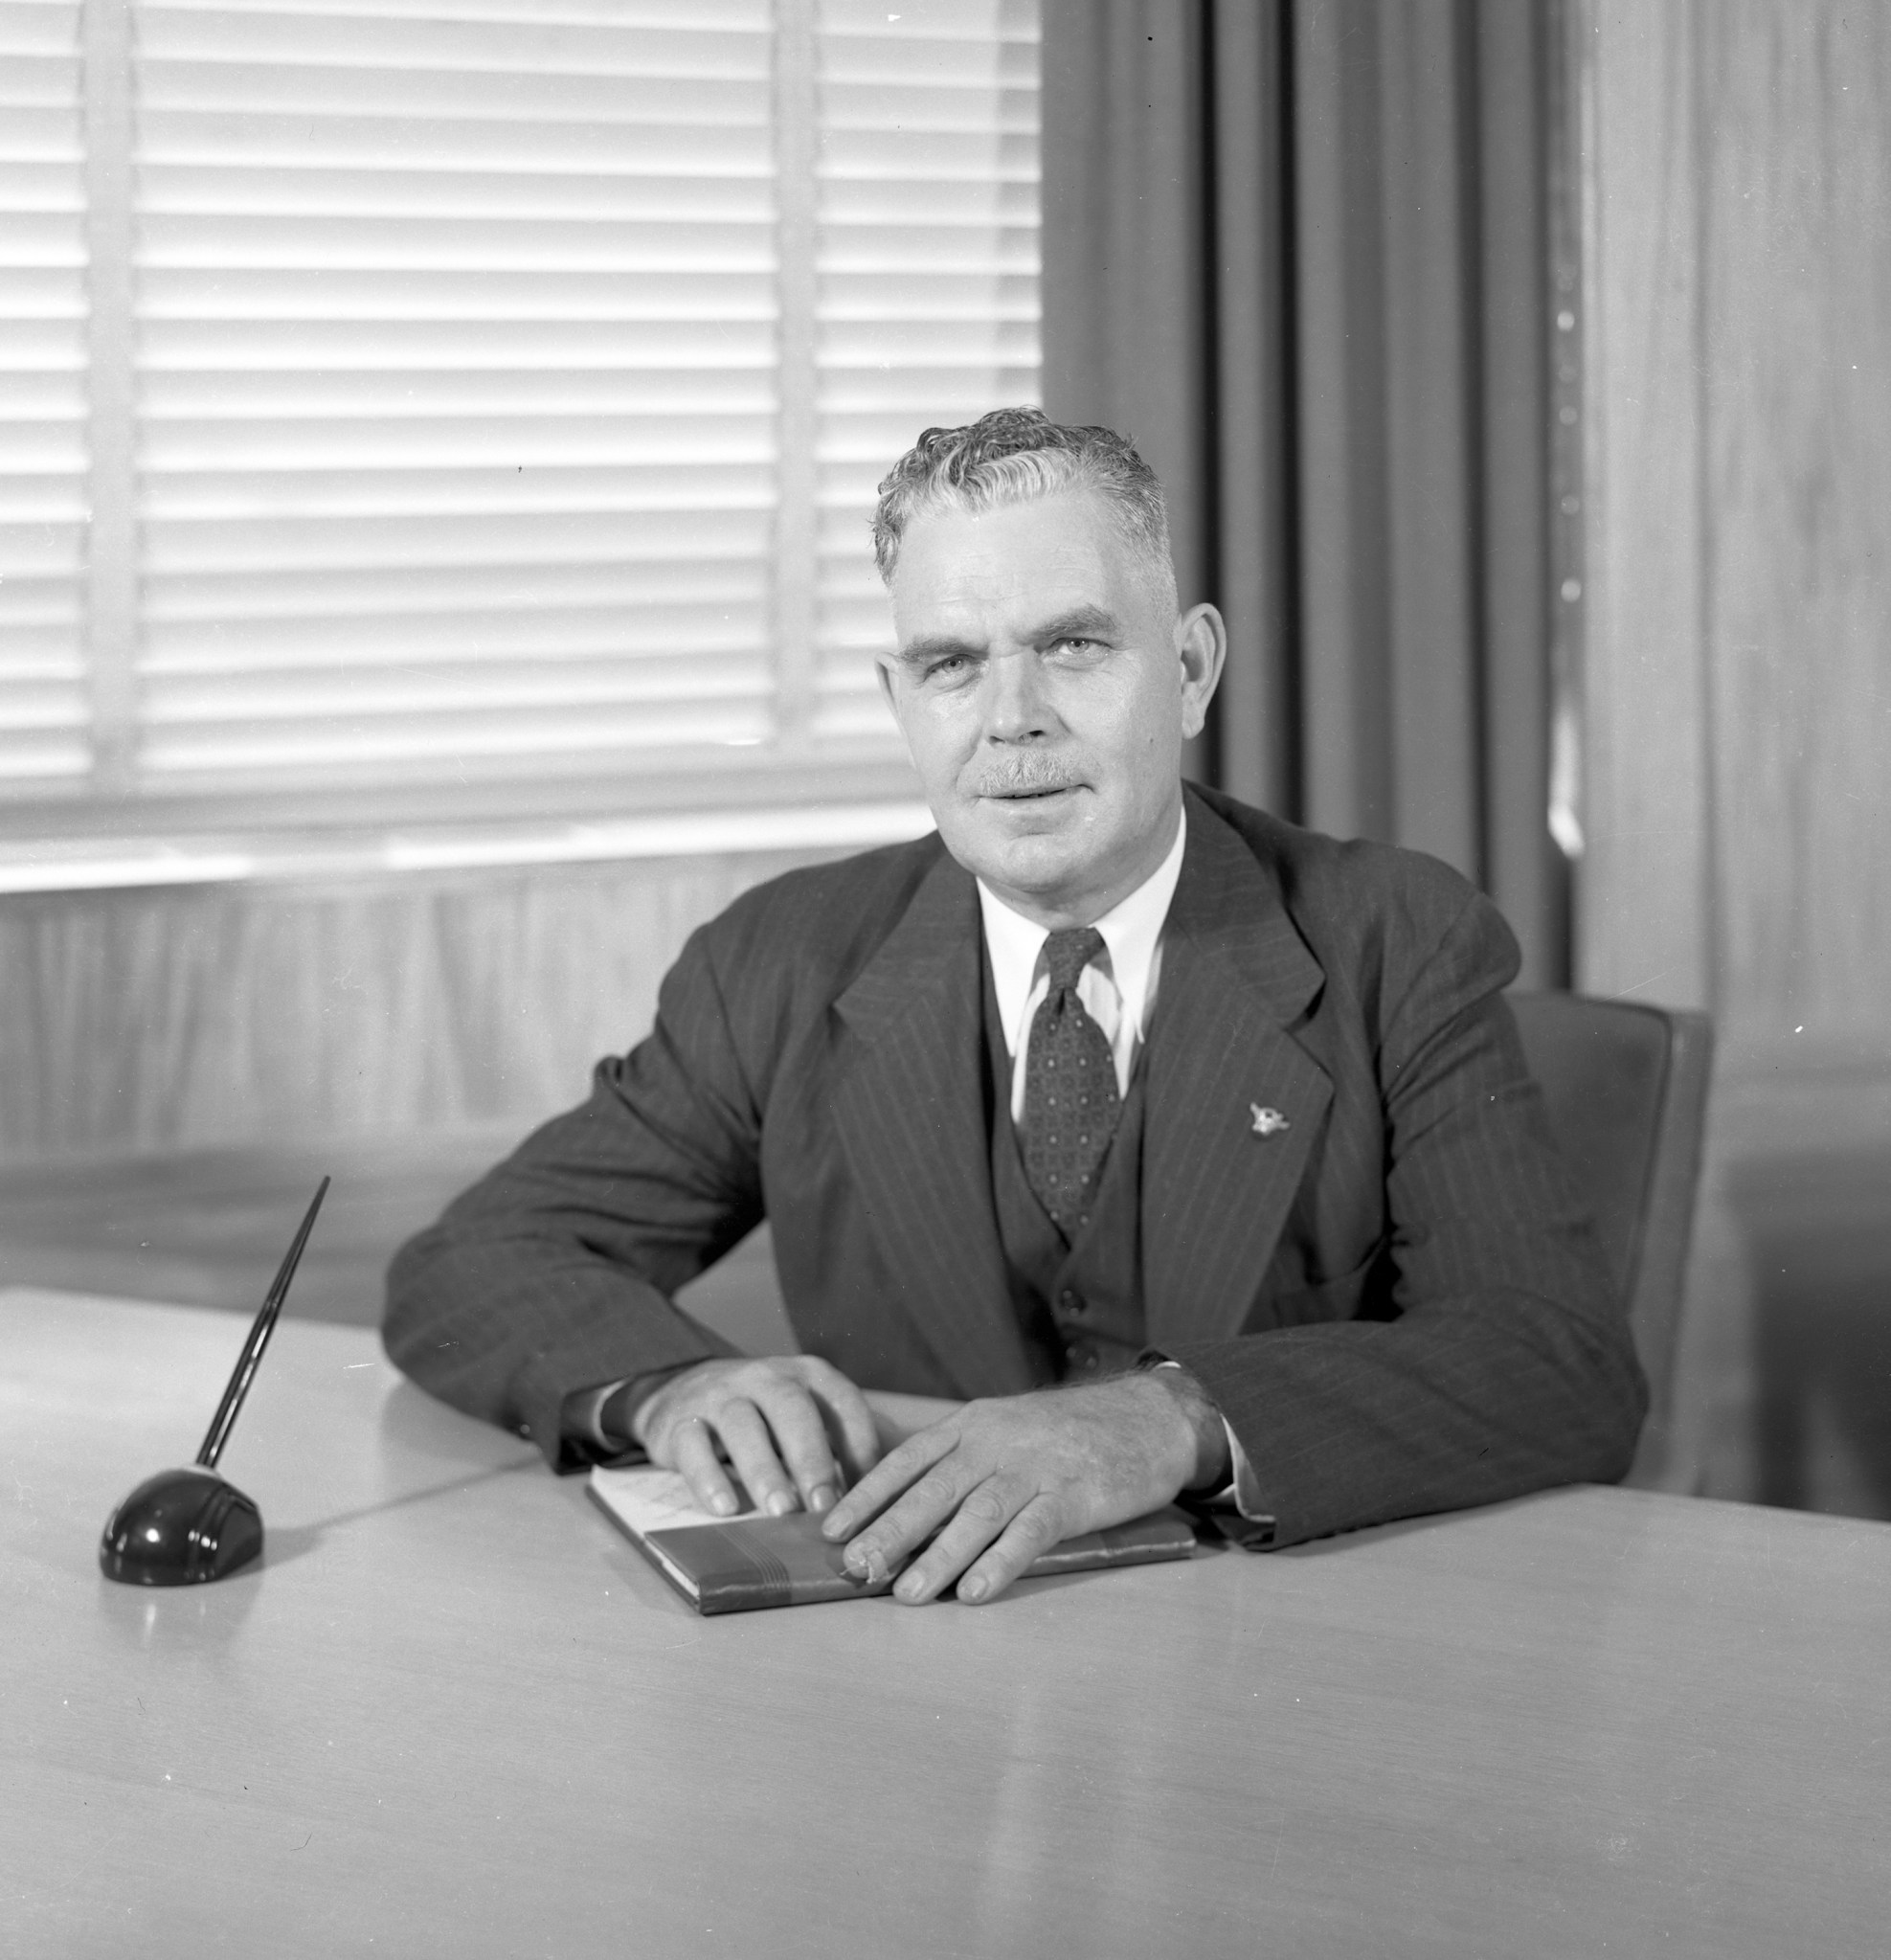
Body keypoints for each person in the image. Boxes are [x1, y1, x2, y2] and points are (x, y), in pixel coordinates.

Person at [384, 408, 1644, 1605]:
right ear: (900, 705)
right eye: (951, 666)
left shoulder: (1392, 936)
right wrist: (670, 1389)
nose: (1014, 721)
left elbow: (1555, 1359)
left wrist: (1175, 1419)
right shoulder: (781, 958)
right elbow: (476, 1263)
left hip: (1293, 1650)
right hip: (927, 1646)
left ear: (1193, 669)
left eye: (1075, 647)